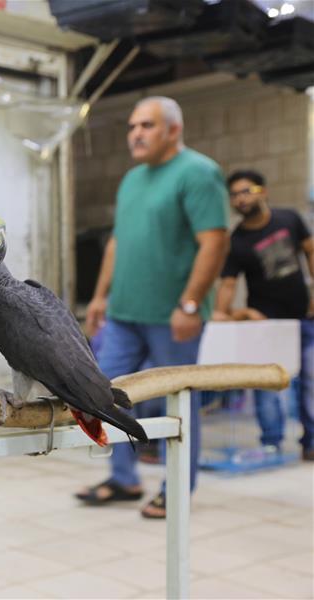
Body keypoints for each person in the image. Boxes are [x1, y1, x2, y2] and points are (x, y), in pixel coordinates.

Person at [76, 96, 229, 519]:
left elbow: (214, 241)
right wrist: (101, 296)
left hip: (173, 315)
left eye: (147, 125)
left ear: (173, 130)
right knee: (105, 393)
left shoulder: (198, 173)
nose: (136, 134)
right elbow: (118, 243)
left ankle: (177, 488)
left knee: (178, 403)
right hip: (125, 313)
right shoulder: (131, 180)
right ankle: (123, 477)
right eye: (132, 126)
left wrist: (191, 303)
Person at [213, 169, 314, 461]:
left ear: (263, 192)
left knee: (310, 382)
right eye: (234, 194)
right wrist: (230, 313)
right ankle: (272, 443)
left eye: (247, 191)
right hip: (265, 326)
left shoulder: (289, 219)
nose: (240, 198)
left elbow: (310, 250)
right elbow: (228, 285)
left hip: (303, 319)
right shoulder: (237, 242)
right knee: (266, 388)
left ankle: (311, 443)